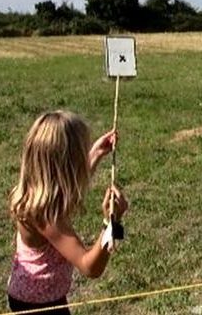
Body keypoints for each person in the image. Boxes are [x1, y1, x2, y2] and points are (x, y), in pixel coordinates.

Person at [8, 111, 127, 314]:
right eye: (80, 157)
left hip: (39, 296)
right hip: (38, 306)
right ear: (66, 166)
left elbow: (65, 191)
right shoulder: (45, 215)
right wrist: (111, 224)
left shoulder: (38, 194)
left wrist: (95, 155)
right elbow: (90, 267)